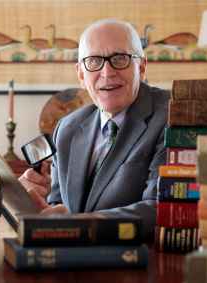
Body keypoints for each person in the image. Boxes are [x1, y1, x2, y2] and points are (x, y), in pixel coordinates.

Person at [18, 19, 169, 240]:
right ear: (80, 74)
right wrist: (35, 208)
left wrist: (73, 223)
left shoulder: (170, 117)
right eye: (94, 61)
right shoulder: (67, 129)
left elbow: (161, 208)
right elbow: (63, 206)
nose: (107, 72)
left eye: (120, 59)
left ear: (142, 67)